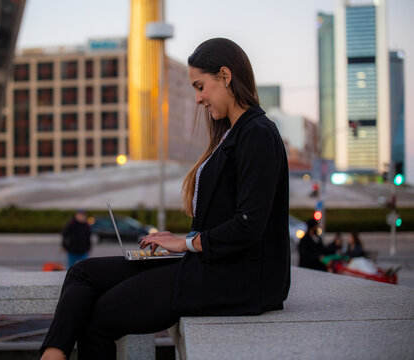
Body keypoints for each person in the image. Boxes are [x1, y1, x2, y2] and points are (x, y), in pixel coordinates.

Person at [40, 38, 290, 360]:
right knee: (82, 273)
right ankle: (52, 354)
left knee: (98, 318)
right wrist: (179, 240)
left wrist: (186, 243)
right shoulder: (232, 132)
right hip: (210, 264)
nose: (198, 98)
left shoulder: (257, 133)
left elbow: (248, 225)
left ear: (225, 76)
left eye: (201, 87)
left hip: (236, 279)